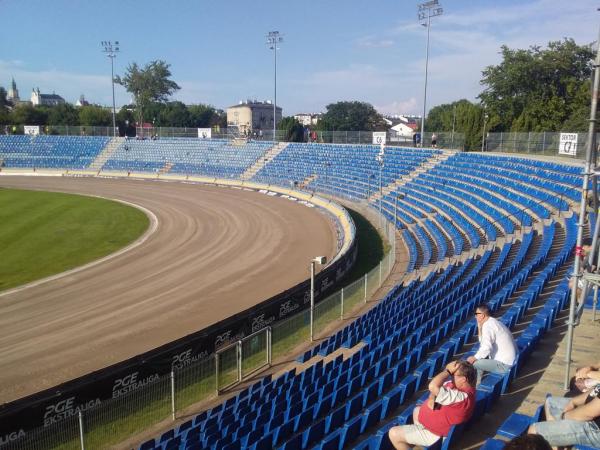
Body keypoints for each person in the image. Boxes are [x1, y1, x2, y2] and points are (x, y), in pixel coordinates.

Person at [388, 360, 476, 450]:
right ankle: (418, 441)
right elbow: (431, 396)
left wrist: (447, 371)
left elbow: (432, 387)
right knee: (417, 410)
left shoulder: (462, 397)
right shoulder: (457, 388)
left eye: (453, 375)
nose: (451, 377)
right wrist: (433, 397)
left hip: (436, 435)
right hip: (436, 424)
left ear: (464, 379)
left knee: (393, 433)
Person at [528, 384, 600, 449]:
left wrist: (564, 416)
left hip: (596, 428)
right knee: (550, 402)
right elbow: (595, 390)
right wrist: (573, 402)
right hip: (591, 410)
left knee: (534, 432)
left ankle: (556, 440)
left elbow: (589, 413)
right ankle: (557, 442)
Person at [466, 304, 517, 383]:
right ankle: (478, 382)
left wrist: (474, 358)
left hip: (505, 365)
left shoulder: (488, 326)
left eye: (476, 314)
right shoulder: (494, 322)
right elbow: (482, 342)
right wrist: (479, 327)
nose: (475, 317)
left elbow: (486, 348)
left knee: (474, 362)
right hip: (511, 360)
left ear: (482, 315)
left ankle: (475, 385)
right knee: (480, 357)